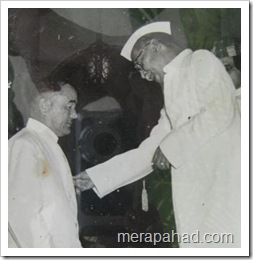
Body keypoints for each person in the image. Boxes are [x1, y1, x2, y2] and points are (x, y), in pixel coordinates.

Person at [74, 22, 241, 247]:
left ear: (155, 46)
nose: (143, 75)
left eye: (140, 63)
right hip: (200, 199)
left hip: (224, 195)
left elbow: (220, 110)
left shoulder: (199, 60)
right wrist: (97, 176)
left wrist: (172, 146)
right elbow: (152, 150)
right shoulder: (171, 94)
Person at [8, 81, 82, 248]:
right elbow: (21, 215)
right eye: (68, 107)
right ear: (44, 106)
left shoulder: (45, 144)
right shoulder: (25, 145)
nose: (75, 115)